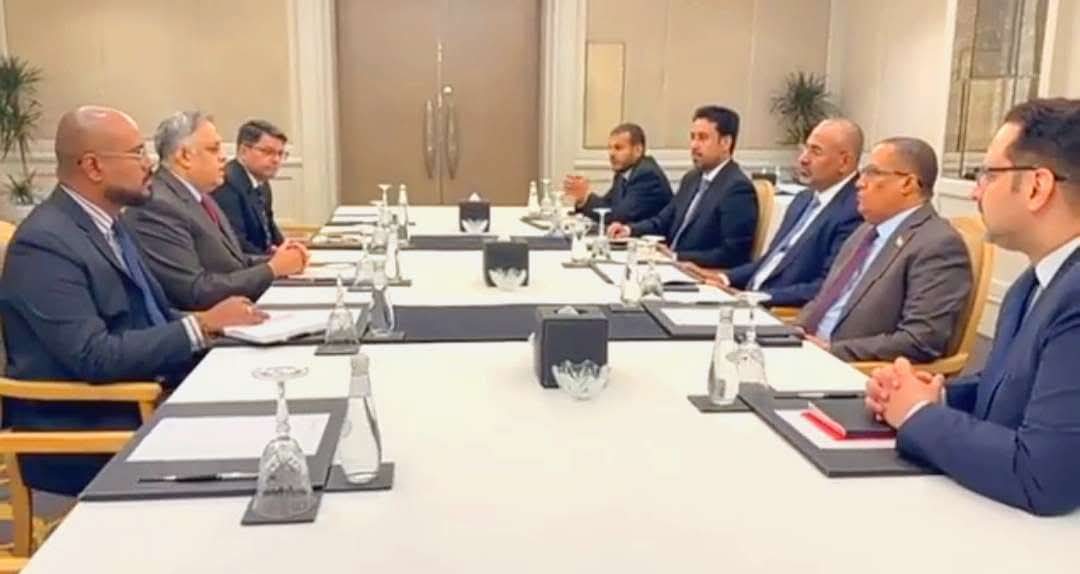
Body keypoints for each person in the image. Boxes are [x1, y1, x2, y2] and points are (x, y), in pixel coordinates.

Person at [0, 106, 267, 496]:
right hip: (95, 427)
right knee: (262, 452)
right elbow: (93, 355)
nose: (149, 164)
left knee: (271, 399)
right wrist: (200, 326)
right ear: (93, 167)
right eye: (137, 153)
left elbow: (151, 313)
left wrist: (220, 326)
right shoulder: (44, 244)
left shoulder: (110, 224)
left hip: (149, 394)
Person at [866, 98, 1080, 516]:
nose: (975, 191)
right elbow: (1010, 387)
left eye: (988, 174)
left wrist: (917, 413)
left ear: (1037, 187)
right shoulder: (1032, 283)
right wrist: (932, 394)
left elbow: (1042, 477)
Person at [795, 137, 972, 362]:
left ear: (907, 184)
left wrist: (831, 350)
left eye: (872, 173)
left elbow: (920, 340)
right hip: (806, 351)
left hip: (851, 368)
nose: (859, 183)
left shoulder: (937, 244)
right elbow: (824, 298)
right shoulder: (865, 231)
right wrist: (795, 330)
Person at [125, 111, 308, 311]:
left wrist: (280, 259)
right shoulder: (157, 206)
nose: (223, 157)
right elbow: (194, 291)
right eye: (214, 149)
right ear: (184, 156)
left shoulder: (200, 196)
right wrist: (272, 269)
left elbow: (235, 261)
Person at [689, 118, 864, 306]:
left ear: (844, 162)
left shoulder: (855, 211)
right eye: (805, 149)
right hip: (749, 299)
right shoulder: (803, 199)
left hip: (779, 311)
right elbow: (771, 261)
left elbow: (826, 287)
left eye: (816, 151)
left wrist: (754, 298)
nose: (803, 159)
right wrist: (724, 278)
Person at [607, 106, 758, 268]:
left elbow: (733, 254)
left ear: (726, 143)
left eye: (703, 138)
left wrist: (676, 257)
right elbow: (663, 220)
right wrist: (628, 230)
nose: (694, 145)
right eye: (692, 137)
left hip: (699, 273)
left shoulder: (737, 188)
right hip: (669, 266)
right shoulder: (691, 178)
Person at [562, 123, 672, 224]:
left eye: (618, 148)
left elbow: (619, 217)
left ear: (638, 150)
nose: (611, 153)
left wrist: (586, 196)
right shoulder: (622, 174)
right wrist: (582, 199)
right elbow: (607, 205)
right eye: (610, 148)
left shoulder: (647, 175)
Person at [214, 120, 287, 255]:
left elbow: (270, 227)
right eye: (268, 152)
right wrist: (273, 261)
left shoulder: (262, 182)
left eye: (280, 153)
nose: (276, 160)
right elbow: (236, 243)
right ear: (243, 152)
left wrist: (288, 249)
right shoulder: (226, 184)